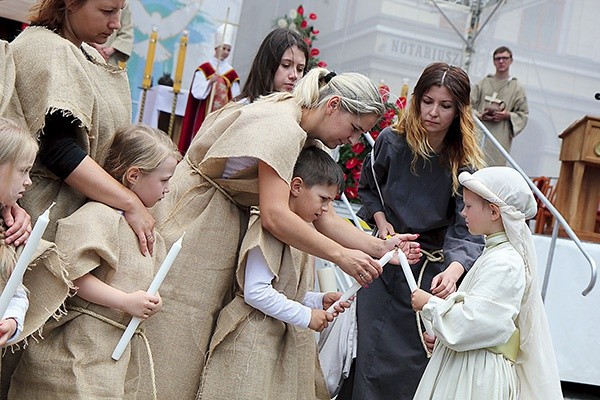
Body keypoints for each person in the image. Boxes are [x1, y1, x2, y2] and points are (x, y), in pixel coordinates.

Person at [144, 67, 420, 400]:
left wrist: (380, 247)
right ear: (333, 105)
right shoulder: (282, 126)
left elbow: (324, 216)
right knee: (175, 335)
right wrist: (341, 256)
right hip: (198, 218)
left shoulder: (306, 134)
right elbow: (275, 215)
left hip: (223, 219)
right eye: (354, 129)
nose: (352, 141)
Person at [337, 62, 486, 400]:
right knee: (368, 356)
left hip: (431, 274)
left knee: (413, 365)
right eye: (428, 101)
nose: (433, 112)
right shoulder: (392, 141)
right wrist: (381, 221)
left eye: (445, 106)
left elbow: (468, 227)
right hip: (385, 264)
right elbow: (369, 188)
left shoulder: (463, 164)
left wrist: (453, 270)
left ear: (459, 111)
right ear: (417, 99)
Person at [7, 124, 181, 399]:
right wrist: (125, 301)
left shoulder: (146, 228)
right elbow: (72, 276)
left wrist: (150, 297)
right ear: (134, 175)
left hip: (109, 351)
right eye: (164, 180)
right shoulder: (98, 217)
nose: (169, 189)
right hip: (78, 346)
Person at [198, 146, 351, 399]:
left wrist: (316, 300)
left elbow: (283, 289)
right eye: (323, 199)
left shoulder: (300, 234)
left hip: (272, 340)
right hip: (250, 340)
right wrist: (306, 315)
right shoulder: (268, 229)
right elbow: (256, 292)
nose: (325, 209)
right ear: (297, 186)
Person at [8, 0, 155, 256]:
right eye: (107, 11)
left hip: (75, 214)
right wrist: (130, 203)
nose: (116, 23)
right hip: (43, 216)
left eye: (121, 11)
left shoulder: (86, 52)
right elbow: (59, 152)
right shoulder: (47, 48)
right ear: (71, 3)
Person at [411, 166, 563, 400]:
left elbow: (475, 322)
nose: (462, 213)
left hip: (477, 377)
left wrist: (430, 304)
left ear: (494, 212)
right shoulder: (494, 254)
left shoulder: (505, 262)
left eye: (469, 206)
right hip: (468, 366)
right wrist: (444, 336)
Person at [0, 117, 70, 363]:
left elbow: (15, 290)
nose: (29, 181)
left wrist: (11, 321)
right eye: (23, 170)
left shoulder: (7, 233)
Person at [178, 23, 241, 153]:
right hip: (204, 113)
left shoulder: (231, 73)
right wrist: (209, 82)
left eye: (228, 49)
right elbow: (197, 93)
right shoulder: (205, 69)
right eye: (223, 48)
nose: (226, 52)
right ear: (216, 48)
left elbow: (235, 98)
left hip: (221, 116)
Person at [471, 46, 529, 166]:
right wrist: (480, 115)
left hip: (500, 137)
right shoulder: (483, 83)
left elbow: (523, 114)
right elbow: (466, 106)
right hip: (479, 133)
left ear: (511, 60)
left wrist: (506, 115)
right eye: (498, 58)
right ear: (493, 61)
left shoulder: (516, 87)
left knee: (494, 167)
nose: (501, 61)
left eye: (505, 58)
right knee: (474, 163)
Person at [234, 27, 309, 104]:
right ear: (267, 64)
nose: (294, 75)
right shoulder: (241, 109)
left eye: (300, 69)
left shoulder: (302, 113)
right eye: (286, 65)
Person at [90, 3, 134, 68]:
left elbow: (126, 32)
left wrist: (112, 49)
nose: (116, 25)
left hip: (108, 60)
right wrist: (92, 45)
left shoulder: (124, 3)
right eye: (107, 11)